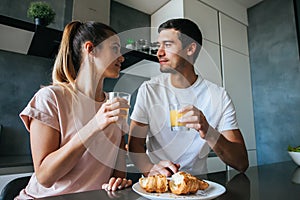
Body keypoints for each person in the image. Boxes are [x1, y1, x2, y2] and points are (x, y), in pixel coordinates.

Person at [16, 21, 132, 199]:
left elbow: (118, 166)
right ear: (91, 49)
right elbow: (45, 177)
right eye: (115, 48)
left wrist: (118, 182)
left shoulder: (114, 102)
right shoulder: (50, 98)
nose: (122, 57)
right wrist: (95, 125)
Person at [128, 18, 249, 177]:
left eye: (168, 45)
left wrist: (208, 131)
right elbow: (134, 144)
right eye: (159, 46)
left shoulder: (218, 96)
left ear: (190, 49)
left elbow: (241, 163)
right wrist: (150, 169)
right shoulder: (149, 90)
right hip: (157, 187)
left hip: (197, 187)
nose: (159, 52)